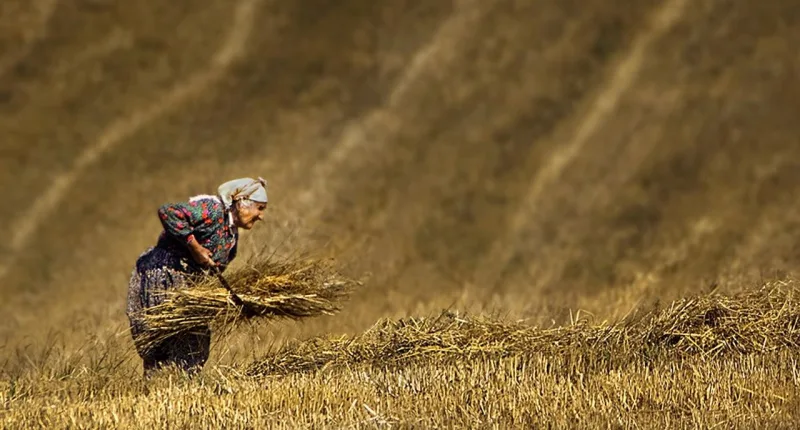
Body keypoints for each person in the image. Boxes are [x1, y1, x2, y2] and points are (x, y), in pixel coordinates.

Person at [126, 177, 268, 376]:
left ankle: (177, 388)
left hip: (188, 282)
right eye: (259, 208)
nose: (261, 216)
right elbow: (169, 212)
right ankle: (161, 386)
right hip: (165, 274)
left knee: (193, 343)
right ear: (241, 202)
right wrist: (194, 247)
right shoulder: (211, 210)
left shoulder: (231, 236)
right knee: (167, 339)